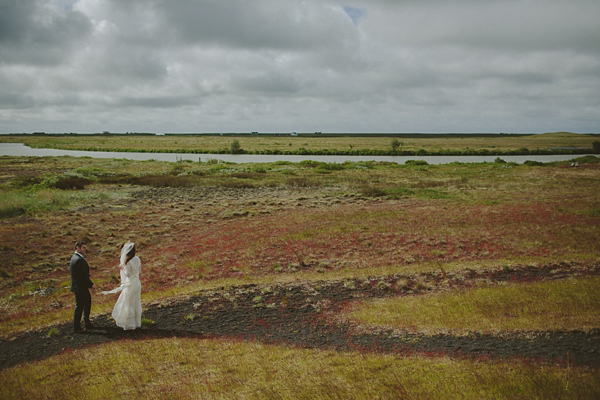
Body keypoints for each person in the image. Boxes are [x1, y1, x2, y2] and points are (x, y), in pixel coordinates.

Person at [102, 242, 142, 330]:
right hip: (137, 282)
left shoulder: (127, 261)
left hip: (130, 283)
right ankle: (137, 322)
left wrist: (122, 268)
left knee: (128, 303)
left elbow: (127, 274)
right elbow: (139, 270)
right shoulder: (137, 259)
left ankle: (130, 324)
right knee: (136, 301)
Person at [70, 241, 94, 333]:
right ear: (77, 248)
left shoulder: (75, 258)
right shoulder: (78, 260)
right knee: (80, 306)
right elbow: (83, 275)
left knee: (87, 303)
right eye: (83, 247)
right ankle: (76, 327)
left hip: (81, 286)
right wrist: (91, 284)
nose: (85, 249)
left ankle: (86, 322)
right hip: (80, 287)